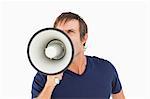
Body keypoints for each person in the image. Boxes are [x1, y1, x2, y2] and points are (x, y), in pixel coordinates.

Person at [31, 12, 125, 99]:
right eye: (60, 33)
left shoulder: (106, 69)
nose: (64, 37)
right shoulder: (45, 76)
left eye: (70, 31)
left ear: (84, 38)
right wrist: (50, 85)